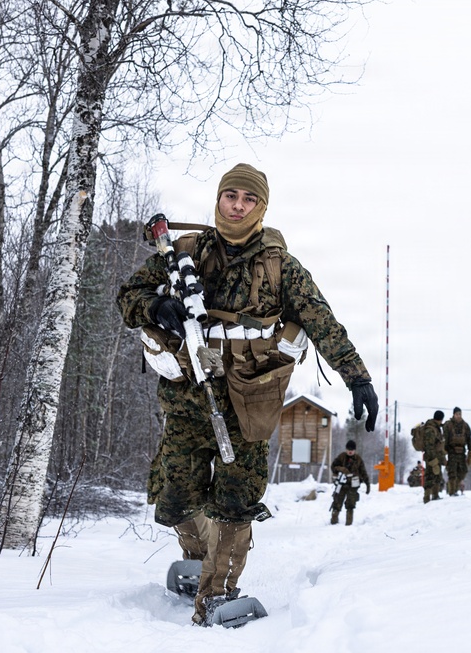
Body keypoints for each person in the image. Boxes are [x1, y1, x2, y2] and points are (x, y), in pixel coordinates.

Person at [117, 163, 378, 625]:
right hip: (187, 398)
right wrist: (156, 305)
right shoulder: (184, 252)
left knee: (235, 500)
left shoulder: (281, 267)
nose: (238, 206)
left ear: (261, 207)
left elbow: (321, 321)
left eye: (249, 199)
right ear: (219, 199)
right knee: (175, 497)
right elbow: (128, 296)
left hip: (249, 400)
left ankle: (218, 592)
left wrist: (357, 377)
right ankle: (200, 559)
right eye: (231, 196)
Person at [330, 440, 370, 525]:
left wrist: (367, 484)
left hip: (353, 486)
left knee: (350, 505)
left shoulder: (358, 459)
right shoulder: (341, 457)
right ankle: (333, 522)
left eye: (352, 450)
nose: (350, 451)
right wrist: (341, 469)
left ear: (355, 450)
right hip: (341, 485)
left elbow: (363, 472)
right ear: (346, 449)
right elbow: (333, 467)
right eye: (348, 449)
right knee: (337, 503)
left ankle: (349, 524)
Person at [442, 407, 471, 496]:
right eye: (457, 414)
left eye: (460, 414)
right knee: (452, 473)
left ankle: (454, 488)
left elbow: (469, 440)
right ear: (453, 414)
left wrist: (470, 451)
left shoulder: (465, 426)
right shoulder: (448, 425)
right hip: (451, 452)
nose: (458, 416)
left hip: (462, 452)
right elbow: (445, 438)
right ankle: (452, 492)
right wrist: (444, 452)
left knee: (462, 472)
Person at [419, 410, 447, 503]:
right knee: (430, 477)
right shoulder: (431, 429)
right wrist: (433, 460)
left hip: (436, 457)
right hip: (431, 458)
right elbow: (429, 446)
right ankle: (426, 498)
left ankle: (435, 495)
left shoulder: (436, 428)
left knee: (437, 476)